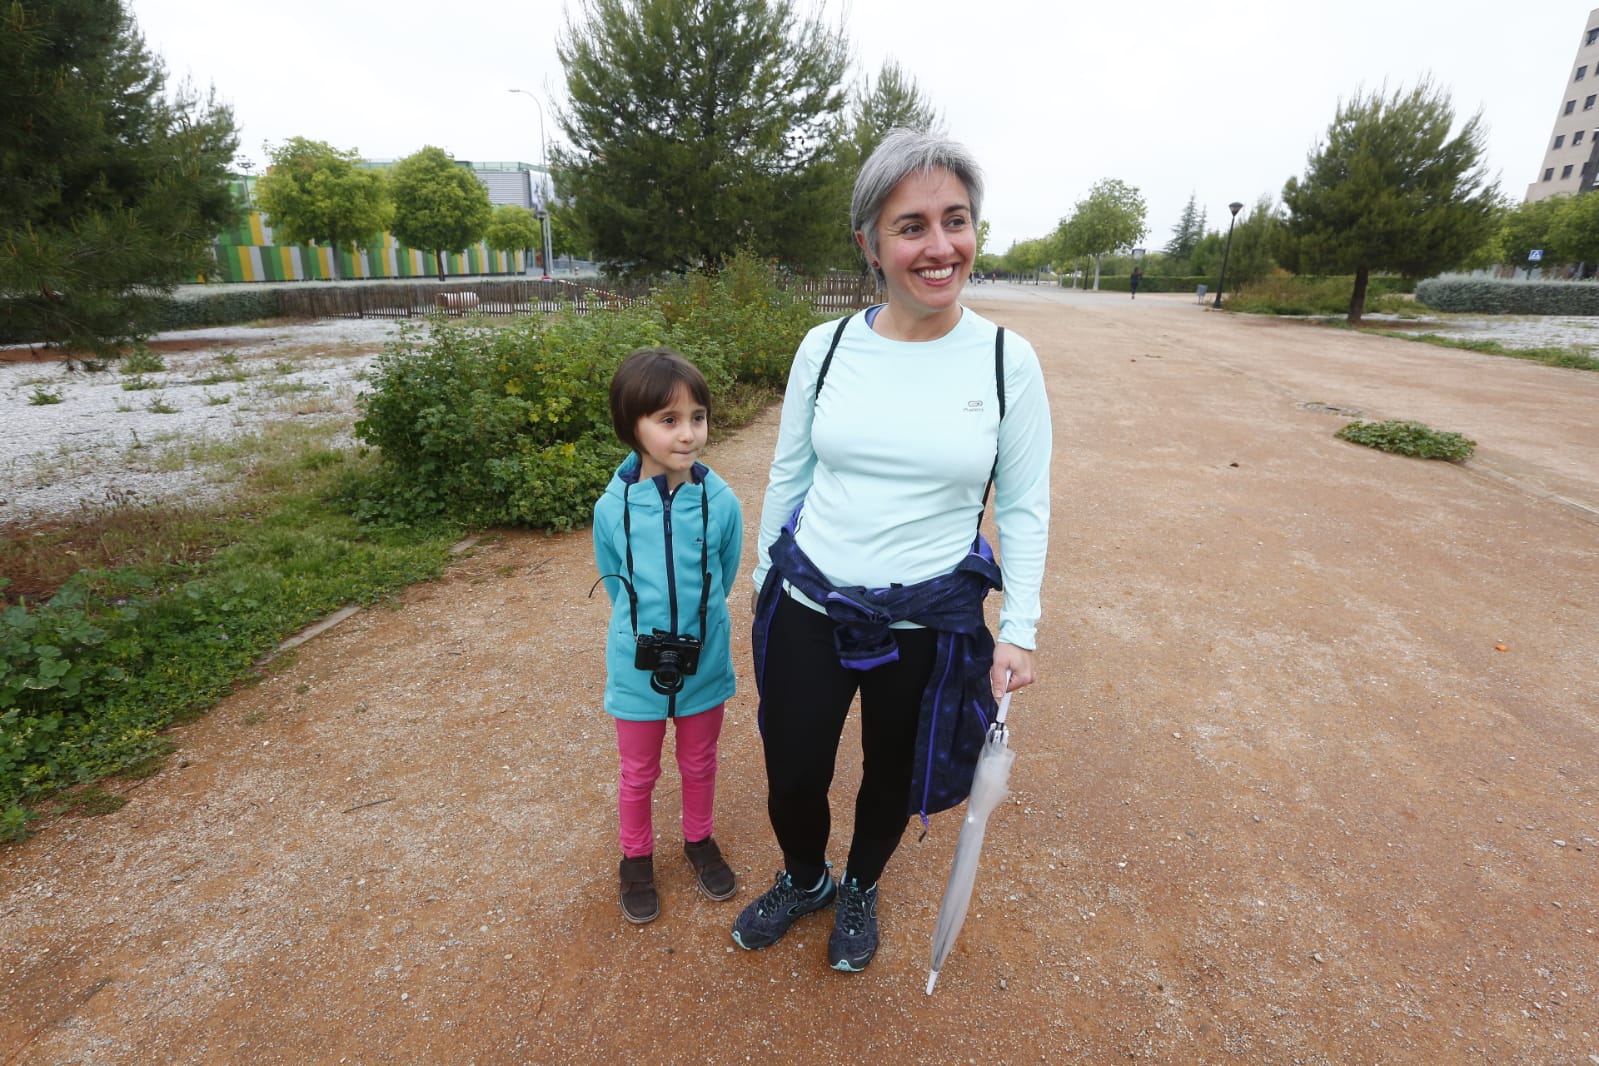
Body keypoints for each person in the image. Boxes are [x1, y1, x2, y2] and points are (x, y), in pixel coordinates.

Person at [732, 128, 1052, 972]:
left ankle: (861, 884)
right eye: (912, 225)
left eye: (956, 219)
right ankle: (806, 879)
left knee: (890, 774)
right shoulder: (827, 346)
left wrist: (1018, 626)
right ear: (869, 243)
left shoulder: (1003, 361)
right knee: (793, 770)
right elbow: (788, 473)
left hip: (925, 619)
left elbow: (1021, 504)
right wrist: (767, 581)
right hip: (810, 605)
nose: (939, 247)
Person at [593, 347, 743, 924]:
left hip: (703, 662)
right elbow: (615, 581)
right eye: (669, 419)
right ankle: (636, 858)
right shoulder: (612, 507)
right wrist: (645, 632)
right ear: (632, 425)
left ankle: (699, 840)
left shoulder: (721, 501)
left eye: (697, 417)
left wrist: (694, 627)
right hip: (636, 667)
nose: (688, 434)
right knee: (638, 772)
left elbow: (723, 575)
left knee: (701, 761)